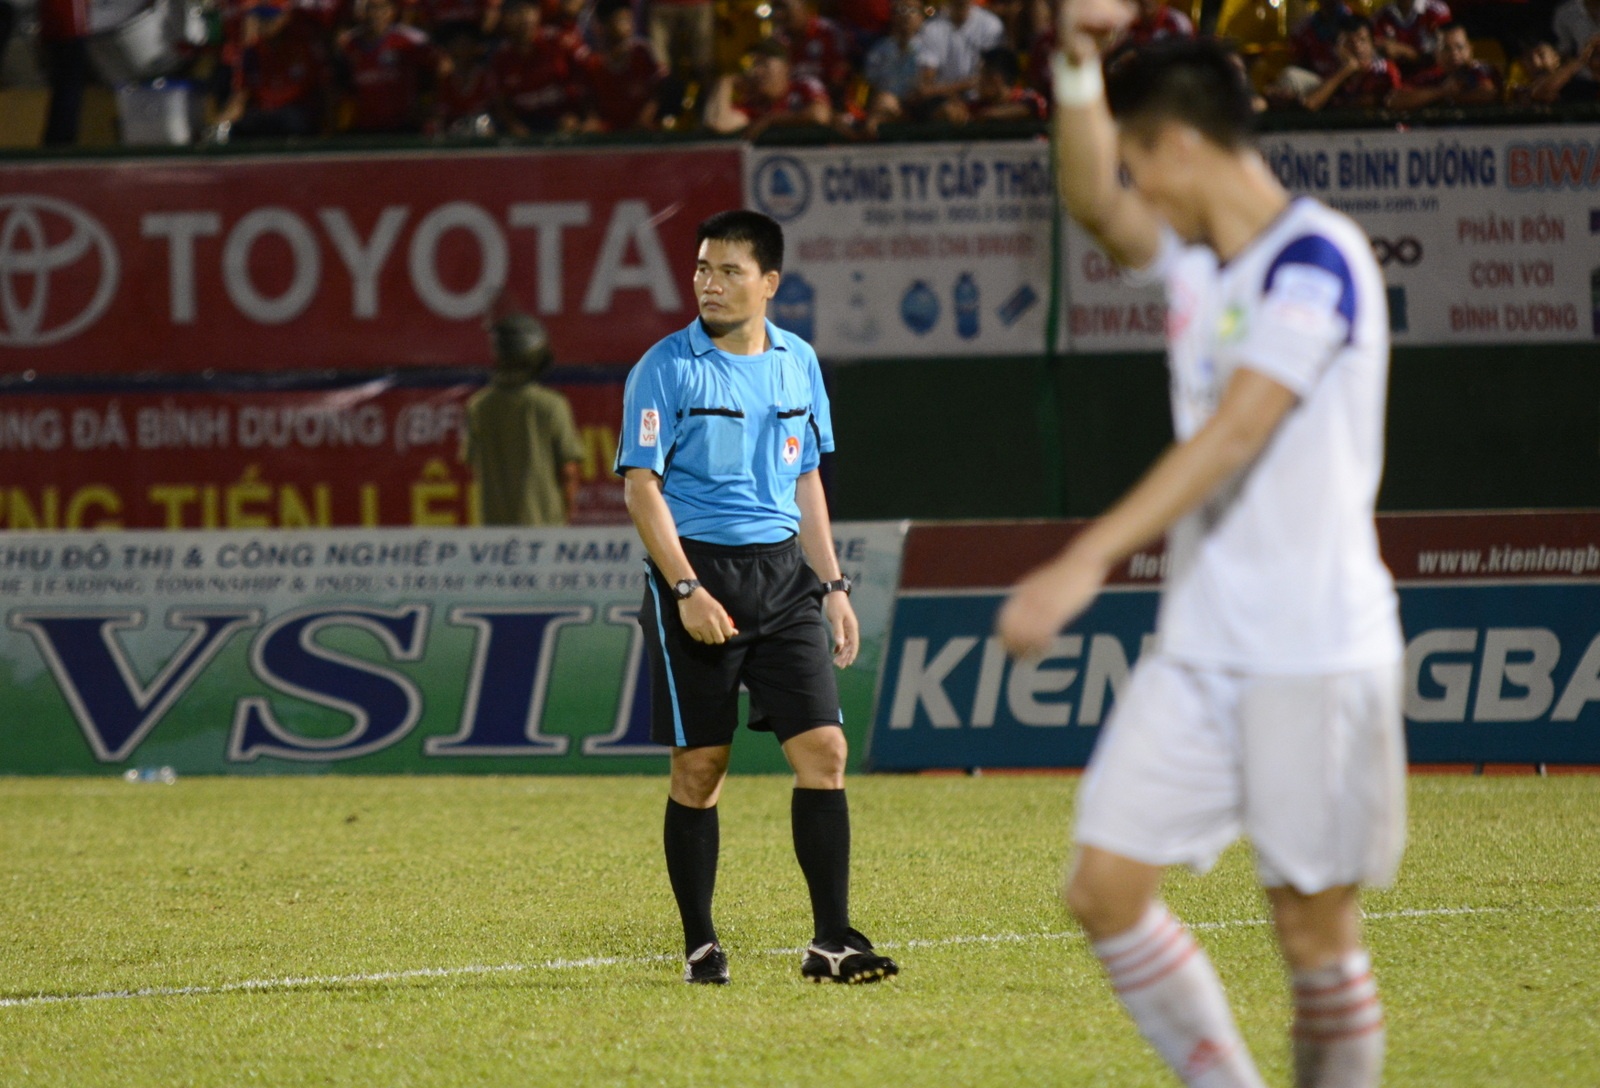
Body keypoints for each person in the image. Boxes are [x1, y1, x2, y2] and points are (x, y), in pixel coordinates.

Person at [998, 6, 1405, 1087]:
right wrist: (1077, 64)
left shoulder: (1317, 260)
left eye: (1140, 158)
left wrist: (1085, 556)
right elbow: (1092, 204)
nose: (1134, 186)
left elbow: (1237, 431)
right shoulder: (1196, 263)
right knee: (1103, 886)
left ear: (1178, 145)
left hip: (1313, 650)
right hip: (1200, 649)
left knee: (1311, 934)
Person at [613, 209, 898, 987]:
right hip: (698, 574)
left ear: (769, 283)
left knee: (825, 754)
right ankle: (701, 944)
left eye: (728, 270)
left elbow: (805, 478)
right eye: (702, 268)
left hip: (784, 580)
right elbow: (642, 489)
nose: (709, 282)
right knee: (701, 769)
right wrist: (687, 589)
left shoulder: (799, 363)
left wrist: (833, 584)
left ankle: (833, 938)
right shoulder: (664, 367)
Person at [461, 311, 585, 526]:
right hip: (545, 531)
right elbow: (568, 470)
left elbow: (472, 464)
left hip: (495, 534)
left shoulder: (478, 406)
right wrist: (568, 512)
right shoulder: (552, 405)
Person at [702, 39, 833, 138]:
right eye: (754, 65)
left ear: (786, 67)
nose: (755, 71)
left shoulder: (803, 86)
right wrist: (726, 82)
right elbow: (717, 123)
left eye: (763, 63)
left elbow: (820, 115)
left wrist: (770, 119)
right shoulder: (754, 105)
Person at [1386, 20, 1501, 106]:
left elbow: (1488, 94)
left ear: (1470, 49)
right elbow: (1394, 100)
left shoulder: (1481, 71)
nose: (1454, 54)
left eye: (1460, 47)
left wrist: (1450, 96)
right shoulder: (1431, 76)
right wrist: (1442, 91)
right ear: (1436, 54)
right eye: (1446, 48)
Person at [1304, 14, 1401, 109]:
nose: (1357, 48)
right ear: (1338, 48)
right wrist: (1346, 70)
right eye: (1349, 42)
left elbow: (1380, 102)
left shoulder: (1383, 70)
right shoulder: (1335, 70)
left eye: (1362, 41)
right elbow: (1310, 104)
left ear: (1373, 44)